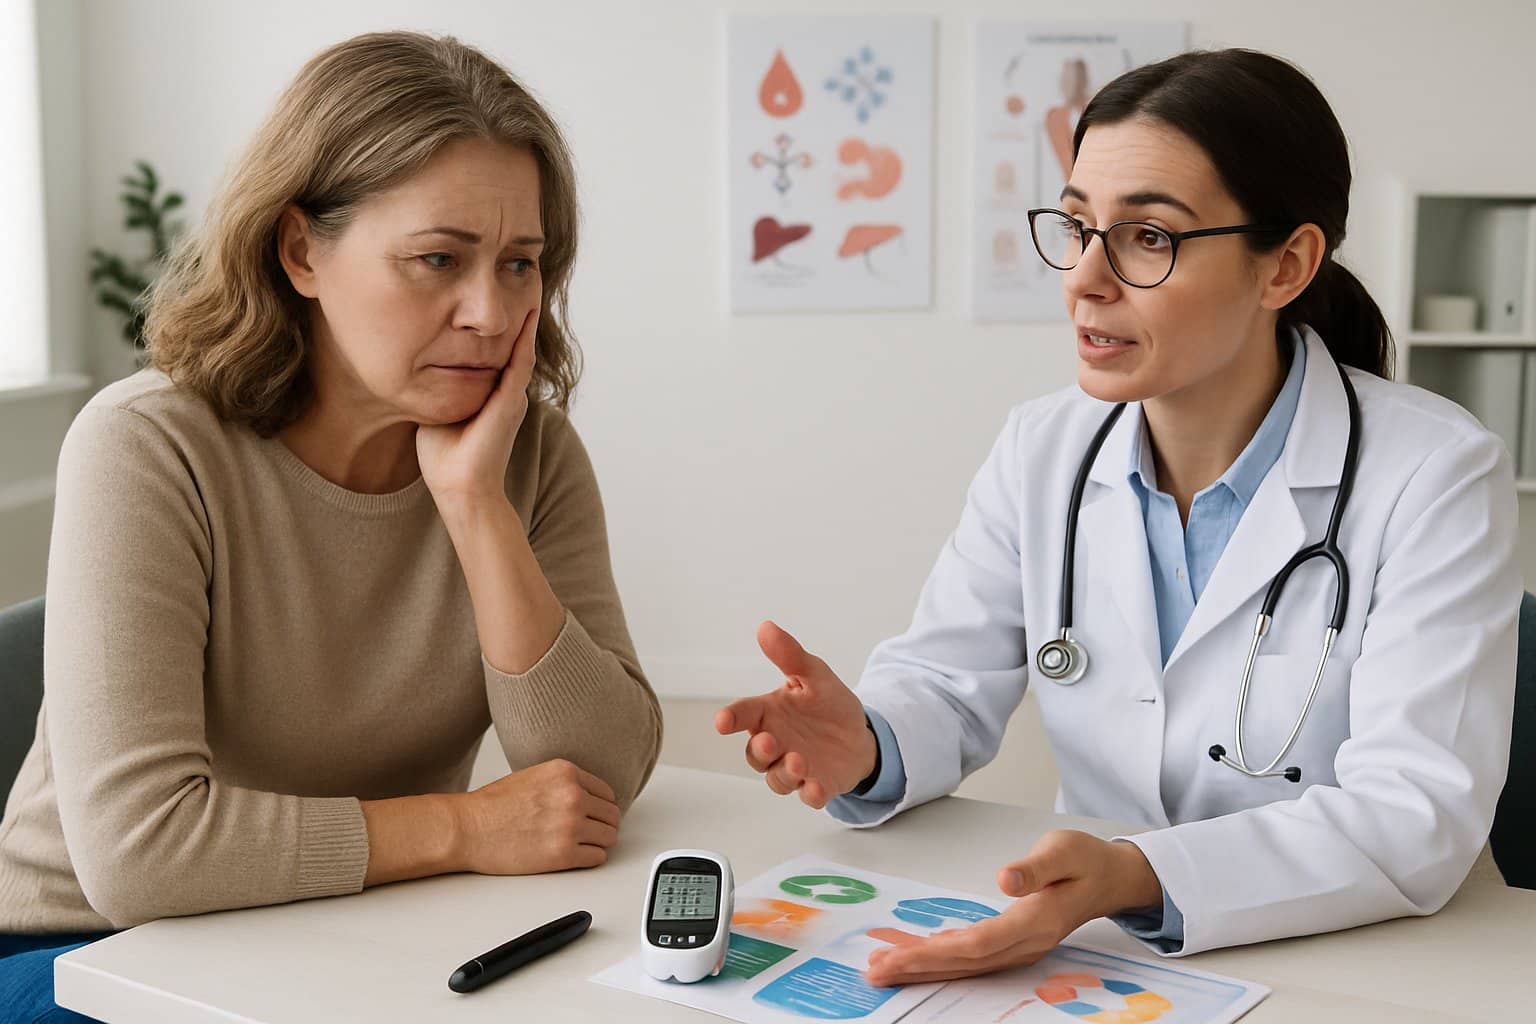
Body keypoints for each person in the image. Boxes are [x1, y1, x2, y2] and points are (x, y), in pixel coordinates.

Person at [718, 48, 1519, 983]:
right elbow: (943, 679)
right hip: (1099, 954)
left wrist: (1137, 874)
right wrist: (867, 744)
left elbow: (1415, 811)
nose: (1085, 278)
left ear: (1287, 265)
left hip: (1362, 961)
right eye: (1077, 225)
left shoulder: (1435, 473)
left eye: (1148, 237)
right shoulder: (1043, 448)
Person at [0, 31, 661, 1021]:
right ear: (301, 249)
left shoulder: (528, 456)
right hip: (86, 952)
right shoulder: (148, 446)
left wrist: (477, 508)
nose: (489, 310)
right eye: (439, 258)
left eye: (521, 264)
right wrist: (464, 829)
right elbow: (143, 855)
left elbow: (598, 777)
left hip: (347, 928)